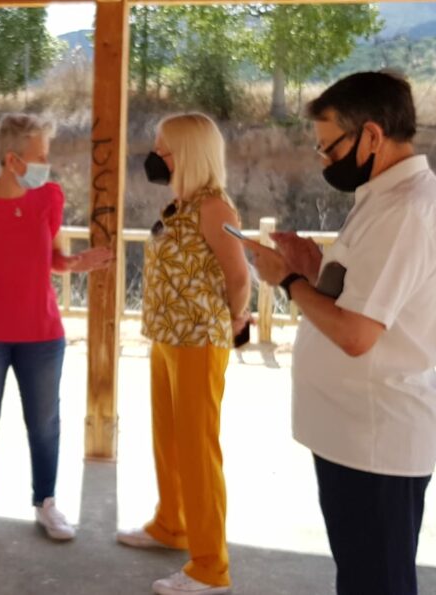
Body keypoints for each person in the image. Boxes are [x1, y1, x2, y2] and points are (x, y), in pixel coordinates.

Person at [246, 71, 436, 595]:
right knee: (363, 576)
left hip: (375, 437)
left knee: (376, 582)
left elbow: (358, 335)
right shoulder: (385, 197)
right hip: (353, 433)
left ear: (371, 135)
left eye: (329, 147)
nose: (324, 161)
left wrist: (290, 281)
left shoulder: (407, 208)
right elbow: (363, 300)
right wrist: (317, 271)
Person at [0, 113, 112, 550]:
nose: (46, 166)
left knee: (45, 423)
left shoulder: (48, 198)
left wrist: (74, 264)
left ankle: (46, 502)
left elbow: (53, 255)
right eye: (40, 157)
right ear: (13, 160)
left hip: (41, 330)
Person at [115, 113, 251, 595]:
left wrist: (236, 320)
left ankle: (212, 567)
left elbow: (239, 276)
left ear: (187, 154)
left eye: (162, 147)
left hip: (198, 341)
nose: (154, 155)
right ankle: (171, 524)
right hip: (167, 337)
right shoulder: (181, 204)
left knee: (198, 451)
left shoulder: (216, 208)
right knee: (168, 440)